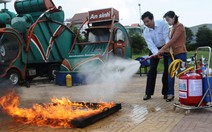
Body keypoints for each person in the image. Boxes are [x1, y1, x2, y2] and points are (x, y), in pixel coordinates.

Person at [157, 11, 187, 102]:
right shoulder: (172, 27)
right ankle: (170, 94)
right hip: (171, 54)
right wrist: (164, 49)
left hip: (180, 53)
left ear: (174, 17)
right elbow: (169, 41)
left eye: (168, 19)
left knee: (182, 74)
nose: (167, 22)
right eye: (166, 20)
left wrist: (163, 48)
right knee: (170, 74)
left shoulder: (180, 26)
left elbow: (173, 40)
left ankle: (185, 94)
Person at [141, 11, 170, 100]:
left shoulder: (162, 24)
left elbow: (166, 37)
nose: (146, 24)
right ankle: (148, 93)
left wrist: (165, 49)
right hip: (154, 50)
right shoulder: (146, 32)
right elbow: (151, 45)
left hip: (165, 46)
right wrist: (157, 54)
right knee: (152, 70)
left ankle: (166, 93)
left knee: (167, 70)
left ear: (152, 19)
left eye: (147, 21)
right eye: (144, 22)